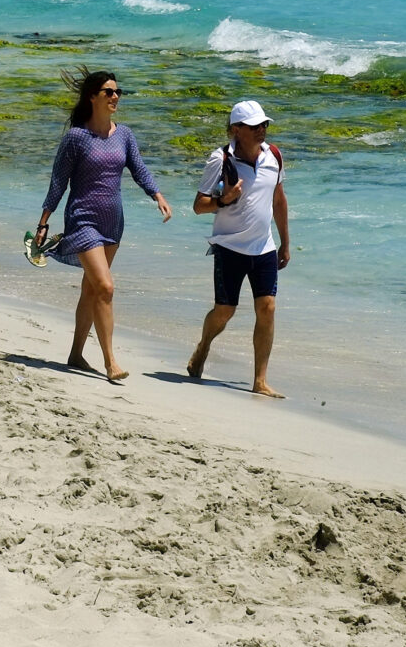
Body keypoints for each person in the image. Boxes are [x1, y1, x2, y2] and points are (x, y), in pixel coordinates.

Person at [33, 68, 171, 383]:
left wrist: (158, 196)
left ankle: (75, 354)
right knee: (106, 288)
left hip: (113, 222)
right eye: (108, 92)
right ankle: (110, 362)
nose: (115, 97)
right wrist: (43, 222)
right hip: (82, 220)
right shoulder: (76, 138)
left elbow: (139, 169)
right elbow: (58, 183)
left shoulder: (124, 135)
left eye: (118, 92)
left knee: (92, 289)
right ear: (92, 97)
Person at [186, 100, 292, 399]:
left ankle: (259, 379)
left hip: (264, 248)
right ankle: (204, 346)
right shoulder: (219, 160)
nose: (262, 130)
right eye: (254, 126)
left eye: (264, 125)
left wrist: (285, 242)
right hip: (229, 247)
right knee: (225, 311)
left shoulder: (273, 156)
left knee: (267, 308)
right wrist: (224, 200)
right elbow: (198, 206)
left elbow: (279, 200)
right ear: (236, 130)